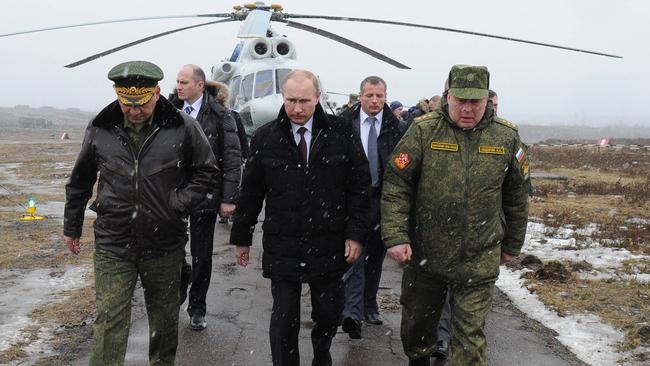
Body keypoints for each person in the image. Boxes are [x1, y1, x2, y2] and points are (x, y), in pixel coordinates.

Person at [63, 60, 219, 365]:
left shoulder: (183, 127)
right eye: (127, 103)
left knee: (163, 325)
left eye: (142, 104)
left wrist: (177, 204)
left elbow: (207, 172)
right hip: (113, 242)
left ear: (157, 93)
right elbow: (80, 179)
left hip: (165, 245)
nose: (134, 110)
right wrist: (72, 225)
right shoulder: (101, 126)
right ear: (117, 95)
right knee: (109, 323)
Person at [381, 64, 529, 366]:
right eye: (461, 100)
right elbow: (397, 184)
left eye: (475, 102)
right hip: (426, 253)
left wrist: (512, 244)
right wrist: (396, 236)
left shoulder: (506, 137)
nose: (467, 109)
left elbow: (516, 196)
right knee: (418, 330)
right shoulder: (423, 131)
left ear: (487, 100)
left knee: (470, 339)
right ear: (448, 96)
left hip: (479, 256)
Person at [230, 69, 371, 366]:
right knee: (283, 319)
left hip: (329, 242)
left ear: (318, 97)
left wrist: (355, 234)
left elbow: (360, 187)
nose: (297, 108)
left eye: (304, 101)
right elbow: (251, 192)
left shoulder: (341, 133)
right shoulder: (267, 137)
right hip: (283, 243)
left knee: (327, 314)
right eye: (291, 100)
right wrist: (242, 238)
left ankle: (322, 355)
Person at [169, 64, 241, 331]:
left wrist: (229, 197)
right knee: (172, 250)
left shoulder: (221, 115)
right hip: (172, 194)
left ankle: (197, 307)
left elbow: (233, 158)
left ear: (200, 85)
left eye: (184, 82)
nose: (178, 86)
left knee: (202, 254)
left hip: (205, 193)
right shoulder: (168, 113)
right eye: (177, 81)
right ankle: (178, 282)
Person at [339, 77, 406, 339]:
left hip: (382, 198)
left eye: (379, 95)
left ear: (386, 96)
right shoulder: (345, 124)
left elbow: (404, 163)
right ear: (360, 96)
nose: (375, 101)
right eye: (369, 95)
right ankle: (351, 311)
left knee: (375, 255)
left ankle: (369, 305)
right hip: (352, 198)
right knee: (353, 252)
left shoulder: (396, 127)